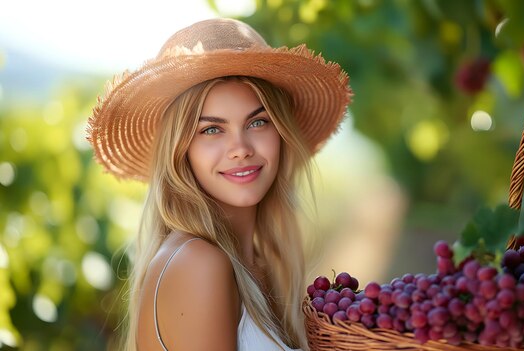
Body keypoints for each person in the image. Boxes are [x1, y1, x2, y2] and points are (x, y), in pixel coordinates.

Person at [87, 18, 351, 351]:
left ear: (281, 133)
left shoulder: (257, 266)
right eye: (212, 129)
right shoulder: (199, 264)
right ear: (181, 150)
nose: (241, 148)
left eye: (258, 121)